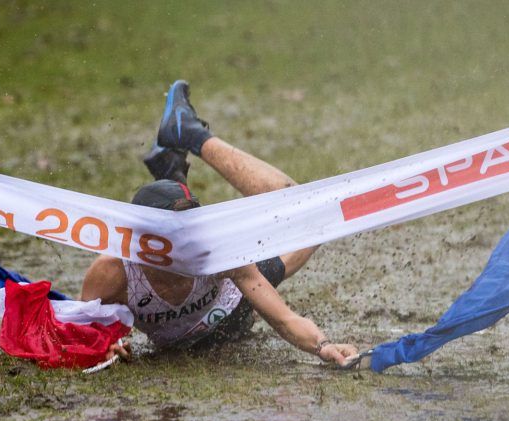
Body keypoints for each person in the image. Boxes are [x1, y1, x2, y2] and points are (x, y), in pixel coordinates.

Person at [81, 81, 357, 366]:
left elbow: (286, 319)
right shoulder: (112, 271)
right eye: (178, 238)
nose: (190, 245)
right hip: (185, 343)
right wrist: (104, 344)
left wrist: (324, 347)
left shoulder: (217, 251)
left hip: (234, 308)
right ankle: (171, 164)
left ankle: (191, 135)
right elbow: (81, 329)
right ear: (143, 243)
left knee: (307, 213)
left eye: (194, 231)